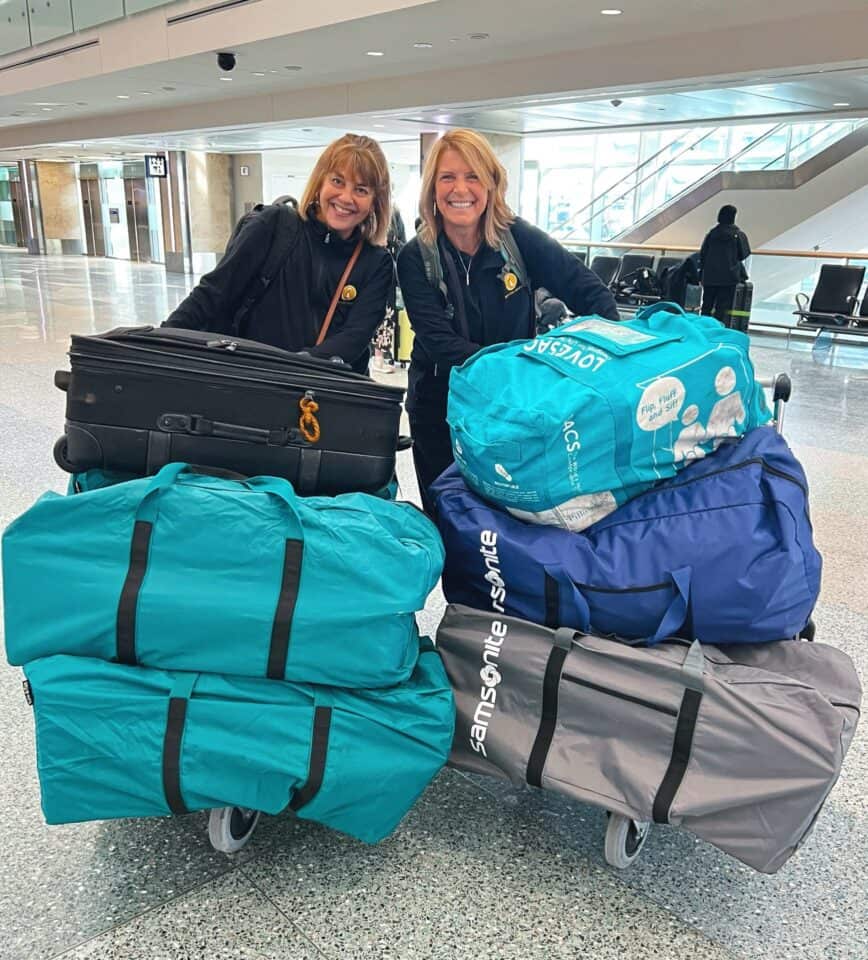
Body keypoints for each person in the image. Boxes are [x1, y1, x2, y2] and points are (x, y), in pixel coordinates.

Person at [397, 128, 620, 514]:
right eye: (447, 177)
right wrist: (524, 370)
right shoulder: (417, 257)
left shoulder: (517, 239)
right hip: (441, 408)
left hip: (512, 411)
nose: (459, 189)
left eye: (473, 176)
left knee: (508, 526)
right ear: (432, 188)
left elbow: (589, 291)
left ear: (491, 184)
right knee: (449, 520)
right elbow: (440, 342)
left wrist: (605, 357)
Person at [164, 134, 393, 373]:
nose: (346, 198)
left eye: (361, 189)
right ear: (320, 181)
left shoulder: (376, 262)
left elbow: (354, 338)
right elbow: (214, 292)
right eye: (337, 181)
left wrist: (289, 368)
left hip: (322, 395)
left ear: (375, 201)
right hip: (251, 383)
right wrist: (160, 340)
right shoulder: (274, 225)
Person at [699, 204, 751, 325]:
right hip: (729, 277)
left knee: (706, 306)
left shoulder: (711, 234)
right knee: (722, 308)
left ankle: (703, 329)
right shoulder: (738, 235)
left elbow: (703, 254)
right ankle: (718, 331)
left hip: (710, 276)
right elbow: (744, 254)